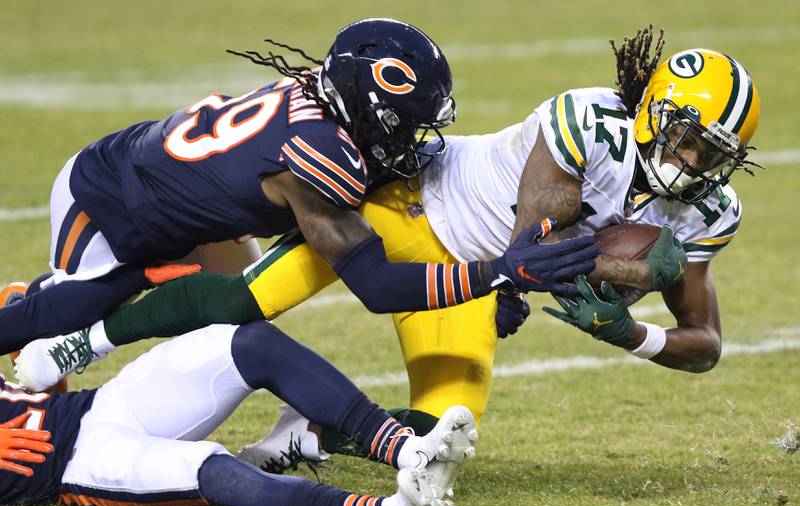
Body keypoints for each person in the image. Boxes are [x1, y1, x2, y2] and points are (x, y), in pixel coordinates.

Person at [21, 28, 752, 473]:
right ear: (656, 111)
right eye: (687, 137)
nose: (692, 163)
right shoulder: (590, 118)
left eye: (712, 154)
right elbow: (540, 241)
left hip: (470, 270)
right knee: (252, 296)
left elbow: (706, 344)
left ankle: (306, 433)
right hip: (407, 205)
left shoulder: (713, 212)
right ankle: (87, 337)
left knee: (446, 426)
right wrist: (616, 269)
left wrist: (635, 333)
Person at [0, 17, 599, 358]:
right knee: (73, 312)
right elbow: (378, 285)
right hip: (109, 200)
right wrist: (497, 273)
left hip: (177, 198)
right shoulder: (318, 158)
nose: (415, 137)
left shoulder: (326, 107)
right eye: (408, 122)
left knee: (228, 319)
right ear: (370, 109)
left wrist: (487, 280)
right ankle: (25, 309)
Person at [0, 320, 482, 506]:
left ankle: (409, 450)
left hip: (95, 408)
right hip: (77, 465)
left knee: (247, 345)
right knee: (210, 469)